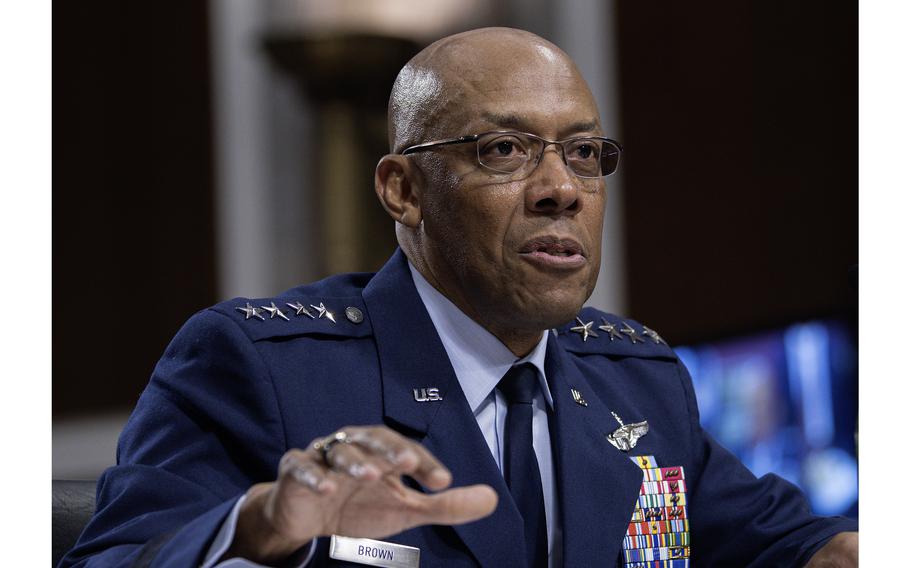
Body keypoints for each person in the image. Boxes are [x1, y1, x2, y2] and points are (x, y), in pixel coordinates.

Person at [61, 28, 858, 568]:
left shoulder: (637, 379)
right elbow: (118, 555)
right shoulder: (261, 366)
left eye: (584, 153)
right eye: (504, 149)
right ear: (403, 189)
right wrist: (266, 528)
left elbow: (788, 545)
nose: (561, 190)